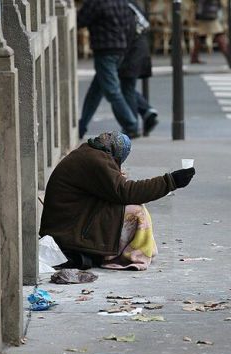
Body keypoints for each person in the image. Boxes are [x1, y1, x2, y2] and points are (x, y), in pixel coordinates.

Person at [39, 131, 196, 270]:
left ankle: (116, 251)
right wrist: (170, 181)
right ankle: (132, 256)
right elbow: (126, 192)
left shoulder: (89, 153)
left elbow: (115, 191)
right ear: (116, 155)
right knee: (137, 212)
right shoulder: (95, 161)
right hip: (67, 231)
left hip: (68, 224)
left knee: (128, 207)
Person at [77, 0, 139, 139]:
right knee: (96, 91)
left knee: (111, 91)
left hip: (105, 49)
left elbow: (80, 20)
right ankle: (82, 126)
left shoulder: (97, 2)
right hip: (120, 49)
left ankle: (131, 124)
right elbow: (130, 24)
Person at [119, 1, 158, 136]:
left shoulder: (124, 6)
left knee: (127, 87)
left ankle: (133, 125)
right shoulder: (131, 5)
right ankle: (147, 111)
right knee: (125, 86)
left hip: (133, 52)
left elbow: (127, 32)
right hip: (139, 49)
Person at [191, 0, 231, 65]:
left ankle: (194, 57)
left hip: (208, 15)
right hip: (207, 16)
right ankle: (228, 56)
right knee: (219, 35)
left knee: (201, 36)